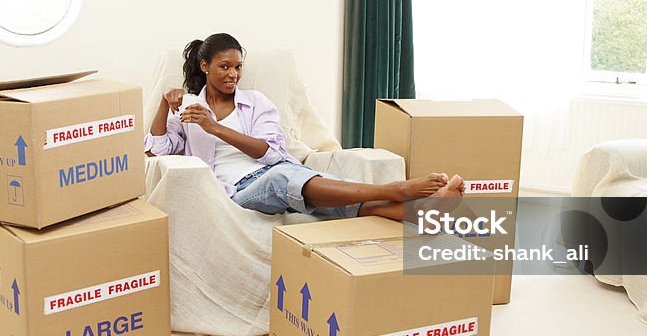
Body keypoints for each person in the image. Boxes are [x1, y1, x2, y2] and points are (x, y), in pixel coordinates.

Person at [145, 33, 463, 220]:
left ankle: (424, 215)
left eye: (238, 66)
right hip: (236, 191)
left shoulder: (256, 103)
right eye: (224, 66)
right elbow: (154, 149)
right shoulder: (189, 109)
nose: (233, 74)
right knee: (286, 178)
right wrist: (163, 102)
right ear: (205, 67)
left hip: (277, 170)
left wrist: (215, 129)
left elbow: (270, 153)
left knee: (315, 188)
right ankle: (395, 189)